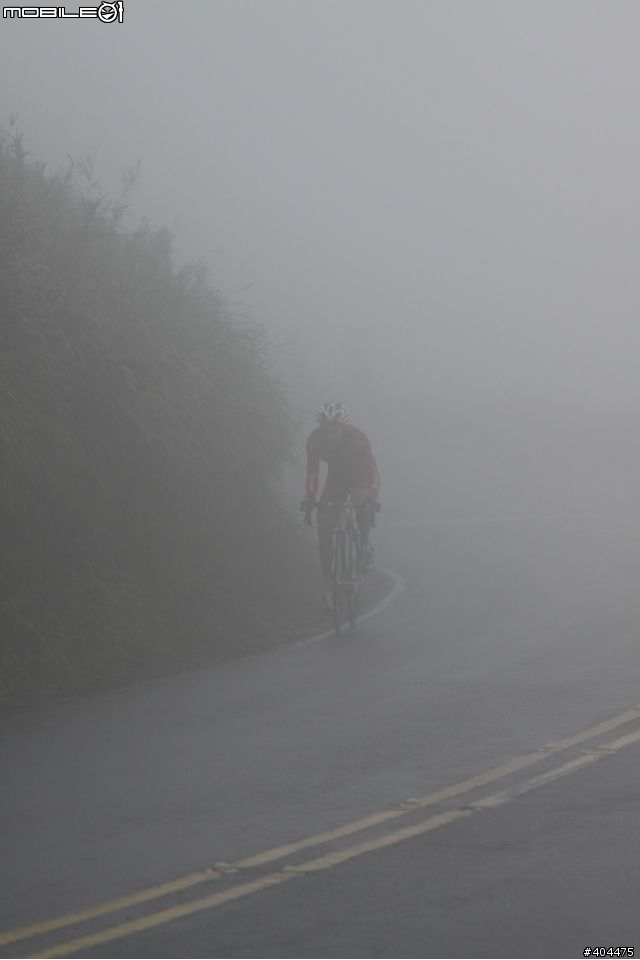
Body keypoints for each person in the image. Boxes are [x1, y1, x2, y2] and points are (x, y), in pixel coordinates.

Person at [301, 401, 380, 611]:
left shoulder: (357, 438)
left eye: (335, 429)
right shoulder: (315, 441)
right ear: (321, 428)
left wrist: (371, 496)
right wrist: (310, 497)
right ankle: (328, 586)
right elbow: (313, 472)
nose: (331, 433)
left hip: (360, 475)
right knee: (325, 526)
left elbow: (371, 470)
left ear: (343, 428)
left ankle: (364, 545)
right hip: (336, 478)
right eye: (327, 428)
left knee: (360, 501)